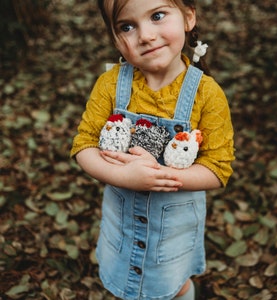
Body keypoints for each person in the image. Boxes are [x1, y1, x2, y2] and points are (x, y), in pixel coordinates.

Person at [70, 0, 235, 299]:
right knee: (126, 282)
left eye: (157, 16)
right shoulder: (110, 85)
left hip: (172, 232)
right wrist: (121, 176)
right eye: (127, 26)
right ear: (115, 37)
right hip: (122, 224)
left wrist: (161, 175)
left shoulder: (207, 94)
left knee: (172, 284)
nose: (144, 35)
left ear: (188, 17)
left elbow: (217, 169)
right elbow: (84, 146)